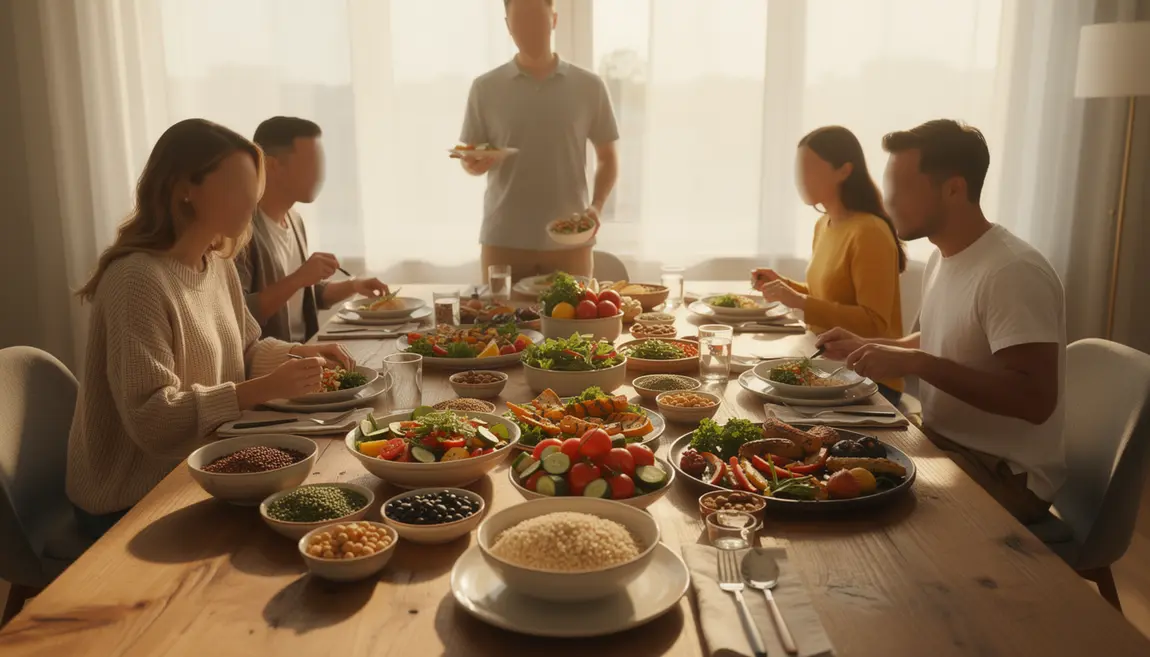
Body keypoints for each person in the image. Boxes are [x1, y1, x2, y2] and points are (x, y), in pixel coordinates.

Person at [67, 119, 352, 539]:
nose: (251, 206)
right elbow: (152, 419)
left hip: (201, 466)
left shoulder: (216, 263)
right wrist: (258, 390)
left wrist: (298, 355)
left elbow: (248, 347)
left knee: (325, 498)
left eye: (252, 191)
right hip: (132, 497)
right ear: (185, 189)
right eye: (238, 190)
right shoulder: (137, 281)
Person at [817, 119, 1066, 524]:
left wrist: (918, 365)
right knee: (822, 461)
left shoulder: (1012, 271)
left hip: (1003, 473)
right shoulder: (944, 255)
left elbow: (1035, 400)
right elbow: (942, 340)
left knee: (848, 507)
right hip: (943, 443)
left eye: (901, 189)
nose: (888, 202)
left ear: (954, 188)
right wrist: (870, 345)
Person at [458, 0, 619, 280]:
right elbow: (470, 156)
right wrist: (473, 165)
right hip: (503, 241)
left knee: (576, 323)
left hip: (570, 239)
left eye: (536, 17)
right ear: (508, 26)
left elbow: (608, 157)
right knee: (499, 324)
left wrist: (597, 206)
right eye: (519, 20)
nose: (528, 28)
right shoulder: (484, 88)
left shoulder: (589, 86)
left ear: (553, 19)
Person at [752, 126, 906, 404]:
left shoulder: (869, 231)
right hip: (827, 366)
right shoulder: (824, 224)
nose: (800, 179)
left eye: (809, 169)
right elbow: (826, 296)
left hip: (869, 379)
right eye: (798, 170)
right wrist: (784, 286)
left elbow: (875, 323)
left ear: (844, 170)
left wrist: (799, 300)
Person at [238, 116, 390, 342]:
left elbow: (306, 295)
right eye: (311, 164)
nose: (320, 174)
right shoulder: (239, 230)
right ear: (273, 165)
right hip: (272, 363)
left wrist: (354, 285)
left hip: (305, 352)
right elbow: (240, 314)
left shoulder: (294, 220)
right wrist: (299, 278)